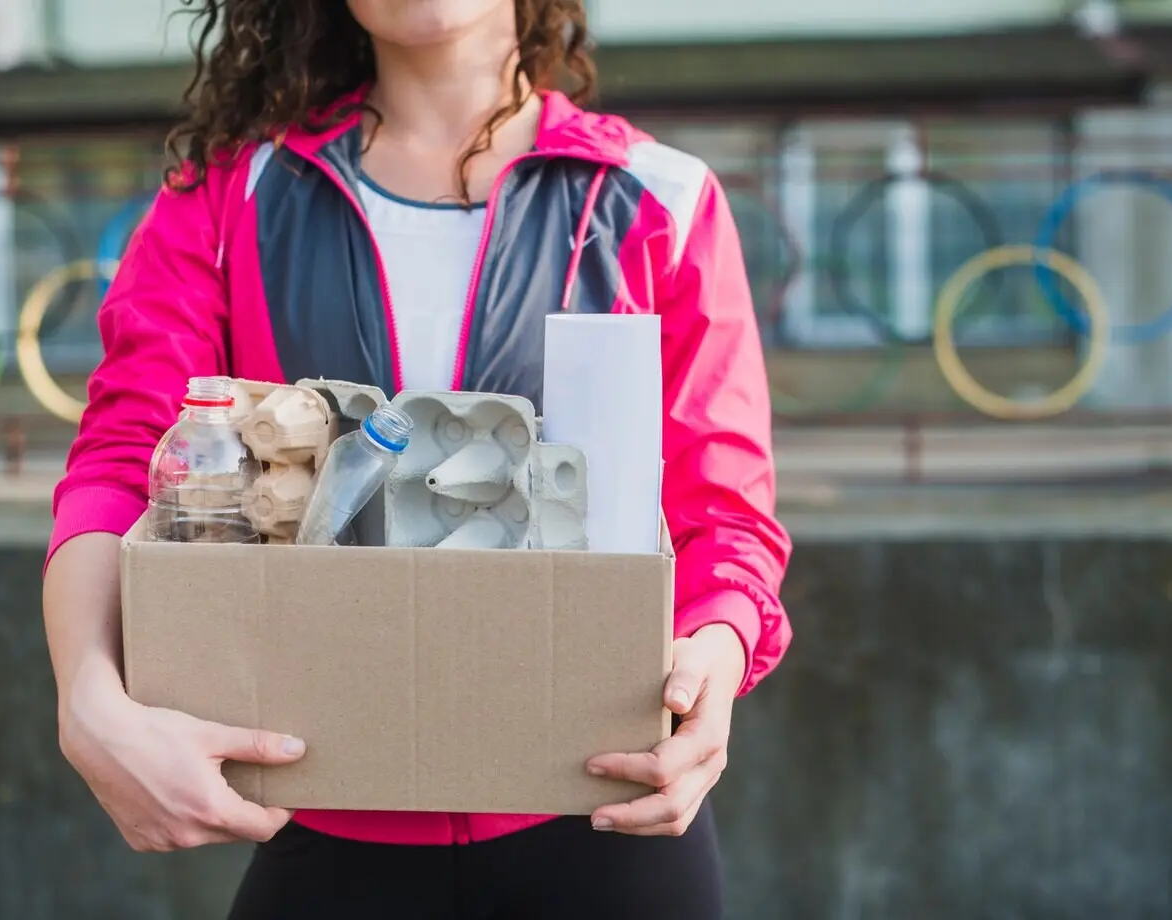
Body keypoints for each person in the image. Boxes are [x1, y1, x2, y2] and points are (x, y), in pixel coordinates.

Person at [42, 0, 793, 916]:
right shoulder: (230, 197)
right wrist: (85, 697)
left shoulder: (656, 198)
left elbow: (726, 519)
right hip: (316, 813)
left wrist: (713, 660)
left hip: (608, 814)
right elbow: (125, 461)